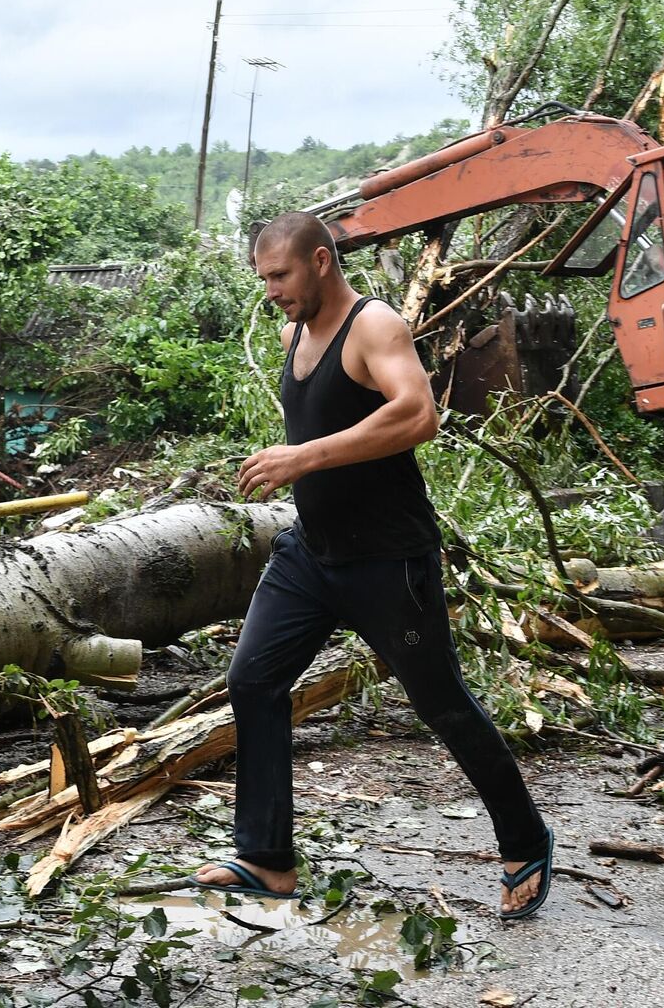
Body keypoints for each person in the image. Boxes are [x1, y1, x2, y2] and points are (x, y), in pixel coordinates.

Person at [187, 212, 554, 918]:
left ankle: (525, 838)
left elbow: (418, 415)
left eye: (281, 276)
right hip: (311, 552)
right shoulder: (293, 332)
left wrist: (302, 457)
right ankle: (266, 859)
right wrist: (302, 465)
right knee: (253, 680)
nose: (271, 292)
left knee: (441, 702)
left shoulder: (374, 326)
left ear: (321, 261)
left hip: (387, 560)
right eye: (263, 278)